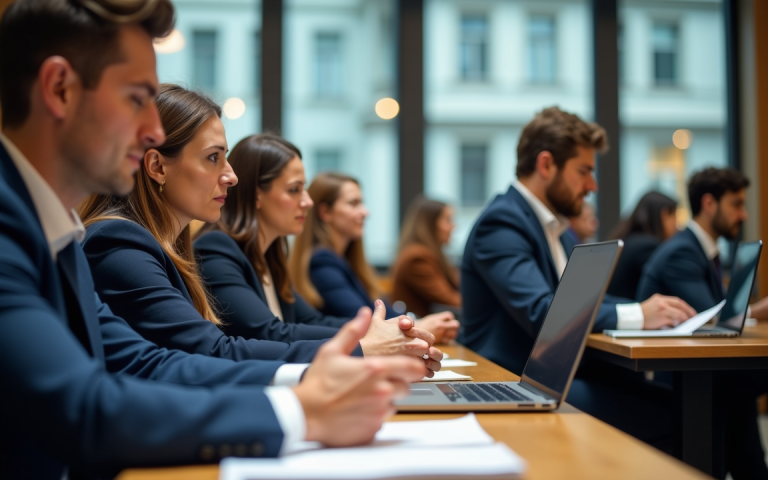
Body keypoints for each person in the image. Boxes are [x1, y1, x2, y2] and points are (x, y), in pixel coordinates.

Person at [0, 1, 425, 478]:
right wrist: (301, 411)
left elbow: (149, 363)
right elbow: (85, 407)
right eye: (137, 98)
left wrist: (312, 380)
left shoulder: (56, 233)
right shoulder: (33, 230)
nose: (152, 132)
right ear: (60, 89)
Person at [78, 86, 440, 370]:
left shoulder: (174, 247)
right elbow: (213, 349)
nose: (230, 176)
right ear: (157, 166)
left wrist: (384, 337)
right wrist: (362, 345)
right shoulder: (120, 242)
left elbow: (299, 324)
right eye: (213, 158)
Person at [457, 106, 695, 452]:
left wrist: (646, 310)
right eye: (584, 171)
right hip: (513, 381)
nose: (592, 185)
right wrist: (640, 315)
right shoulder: (502, 224)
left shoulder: (557, 231)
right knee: (678, 418)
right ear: (545, 164)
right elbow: (546, 313)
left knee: (686, 405)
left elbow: (582, 302)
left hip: (556, 373)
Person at [193, 133, 443, 370]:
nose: (307, 201)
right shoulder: (216, 248)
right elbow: (270, 332)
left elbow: (312, 322)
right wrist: (378, 336)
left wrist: (392, 330)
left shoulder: (268, 255)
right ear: (257, 195)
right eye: (294, 190)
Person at [636, 167, 768, 479]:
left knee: (739, 396)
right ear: (709, 204)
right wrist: (759, 311)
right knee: (739, 387)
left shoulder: (700, 251)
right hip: (679, 377)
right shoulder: (681, 252)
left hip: (702, 371)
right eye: (736, 204)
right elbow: (711, 318)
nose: (744, 215)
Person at [289, 172, 460, 343]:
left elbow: (381, 311)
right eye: (353, 203)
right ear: (325, 212)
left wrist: (416, 323)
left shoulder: (345, 260)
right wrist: (417, 326)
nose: (365, 212)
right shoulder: (322, 261)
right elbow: (362, 318)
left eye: (362, 203)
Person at [390, 196, 461, 317]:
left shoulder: (426, 253)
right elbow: (450, 299)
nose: (454, 227)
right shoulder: (417, 257)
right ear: (430, 224)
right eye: (448, 220)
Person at [606, 191, 678, 300]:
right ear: (664, 215)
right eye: (674, 216)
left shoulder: (629, 240)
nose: (677, 225)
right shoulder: (648, 247)